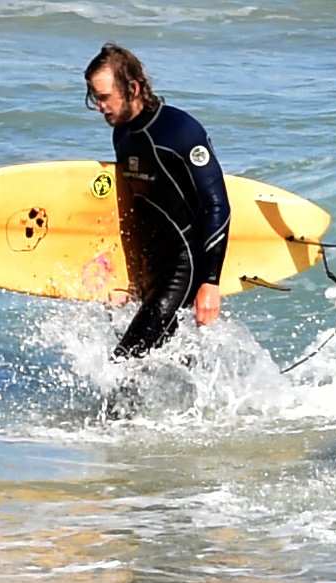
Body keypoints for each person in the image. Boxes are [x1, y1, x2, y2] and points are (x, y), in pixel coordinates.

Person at [83, 43, 232, 359]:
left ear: (133, 88)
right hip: (150, 269)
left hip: (183, 268)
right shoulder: (122, 135)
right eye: (94, 98)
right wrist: (128, 278)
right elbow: (134, 209)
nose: (99, 106)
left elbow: (217, 205)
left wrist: (210, 283)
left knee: (123, 360)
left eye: (104, 97)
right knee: (166, 363)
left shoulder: (180, 132)